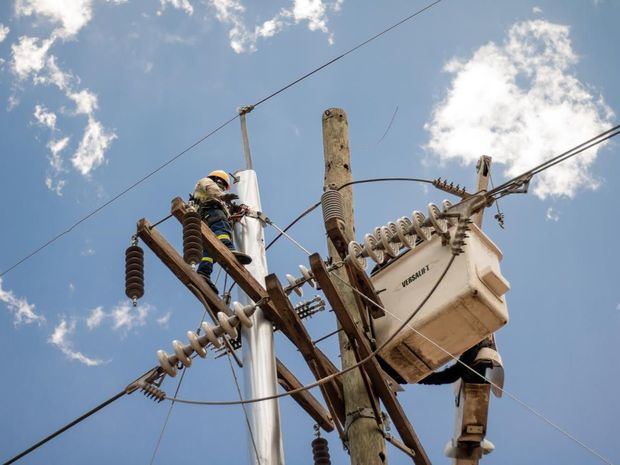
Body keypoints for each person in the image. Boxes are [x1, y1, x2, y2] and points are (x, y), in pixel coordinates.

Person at [191, 170, 251, 294]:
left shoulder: (217, 197)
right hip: (211, 210)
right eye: (222, 185)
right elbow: (211, 189)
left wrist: (234, 208)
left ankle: (204, 272)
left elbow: (225, 205)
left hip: (204, 220)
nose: (223, 188)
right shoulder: (206, 182)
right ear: (217, 180)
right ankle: (228, 247)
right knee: (222, 228)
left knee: (209, 250)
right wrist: (223, 196)